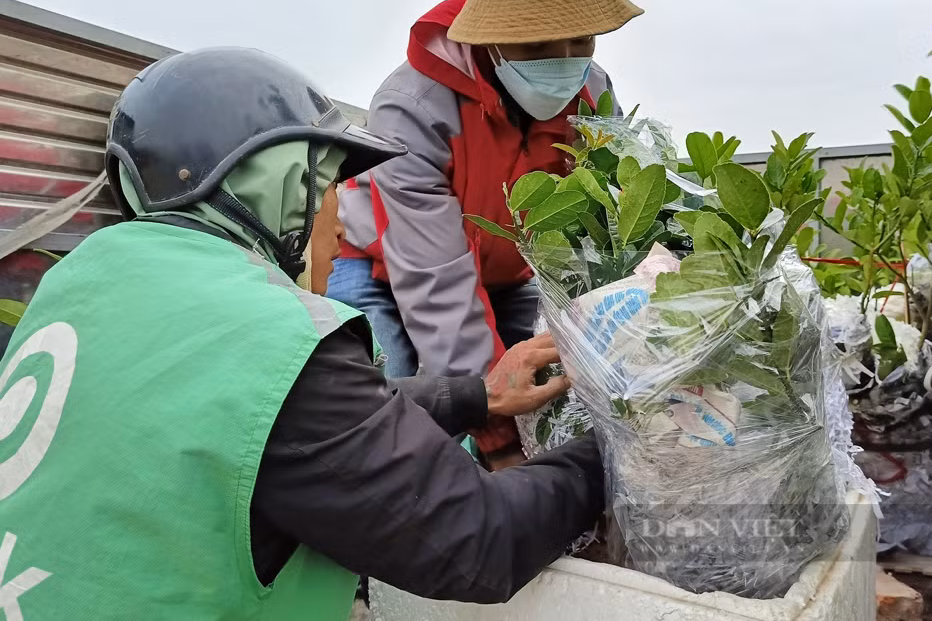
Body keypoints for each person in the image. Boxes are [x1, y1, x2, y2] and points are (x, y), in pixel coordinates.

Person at [0, 47, 604, 621]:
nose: (342, 224)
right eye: (330, 185)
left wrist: (478, 395)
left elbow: (262, 421)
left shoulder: (82, 282)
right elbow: (478, 540)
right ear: (283, 186)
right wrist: (616, 447)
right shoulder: (265, 331)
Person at [327, 0, 643, 469]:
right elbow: (435, 282)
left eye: (581, 39)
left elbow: (606, 224)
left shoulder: (592, 93)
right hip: (385, 274)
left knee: (556, 395)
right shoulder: (415, 106)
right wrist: (500, 438)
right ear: (490, 34)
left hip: (508, 279)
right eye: (537, 43)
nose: (564, 60)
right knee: (380, 423)